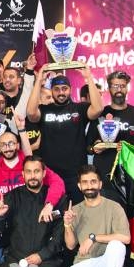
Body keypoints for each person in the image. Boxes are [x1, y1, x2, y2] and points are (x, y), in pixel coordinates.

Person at [86, 69, 134, 267]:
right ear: (109, 88)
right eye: (115, 86)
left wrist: (129, 148)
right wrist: (96, 147)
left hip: (131, 179)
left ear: (127, 87)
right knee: (106, 227)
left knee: (130, 228)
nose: (118, 89)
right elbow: (87, 144)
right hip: (106, 180)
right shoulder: (101, 114)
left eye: (122, 85)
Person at [0, 156, 68, 267]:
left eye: (37, 171)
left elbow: (59, 235)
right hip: (17, 258)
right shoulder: (11, 197)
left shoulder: (56, 199)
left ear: (44, 173)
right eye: (29, 172)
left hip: (45, 260)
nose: (33, 176)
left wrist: (41, 255)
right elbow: (2, 232)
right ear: (23, 174)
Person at [56, 165, 131, 267]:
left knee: (118, 245)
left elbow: (125, 238)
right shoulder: (75, 210)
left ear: (100, 184)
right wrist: (67, 225)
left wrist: (94, 237)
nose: (89, 186)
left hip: (106, 263)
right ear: (79, 186)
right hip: (85, 261)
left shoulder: (114, 207)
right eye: (85, 182)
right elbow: (71, 245)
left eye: (93, 181)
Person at [26, 65, 103, 204]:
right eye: (56, 89)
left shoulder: (80, 108)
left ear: (70, 90)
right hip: (50, 175)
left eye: (64, 89)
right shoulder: (44, 110)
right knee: (52, 215)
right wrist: (39, 81)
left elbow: (97, 109)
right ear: (52, 91)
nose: (61, 92)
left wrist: (88, 77)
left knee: (77, 215)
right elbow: (31, 113)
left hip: (75, 175)